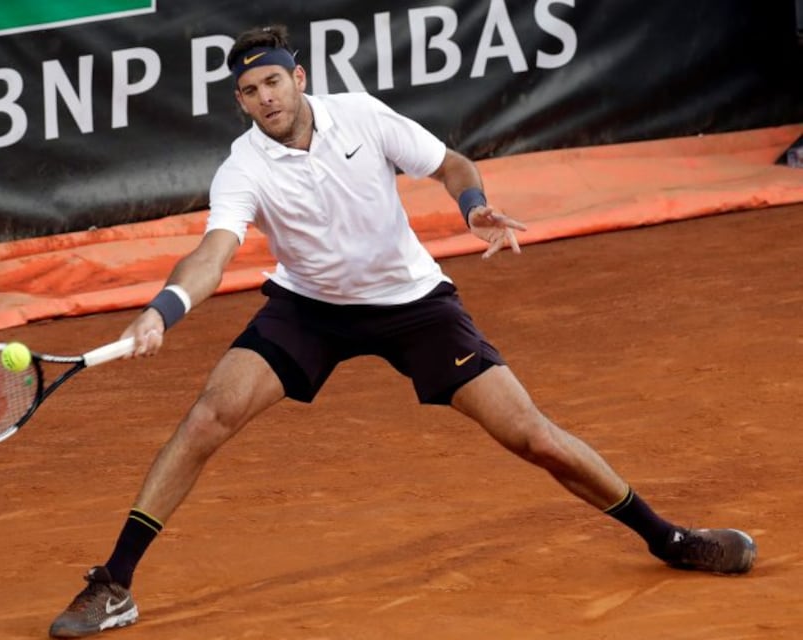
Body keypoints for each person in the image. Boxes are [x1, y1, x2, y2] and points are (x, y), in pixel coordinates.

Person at [48, 24, 756, 638]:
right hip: (310, 308)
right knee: (209, 415)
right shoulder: (244, 167)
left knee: (532, 436)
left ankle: (669, 538)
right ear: (240, 102)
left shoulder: (361, 116)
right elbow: (214, 252)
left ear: (299, 79)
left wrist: (473, 206)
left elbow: (451, 165)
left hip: (411, 302)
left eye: (273, 82)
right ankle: (115, 582)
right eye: (249, 92)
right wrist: (165, 308)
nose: (265, 99)